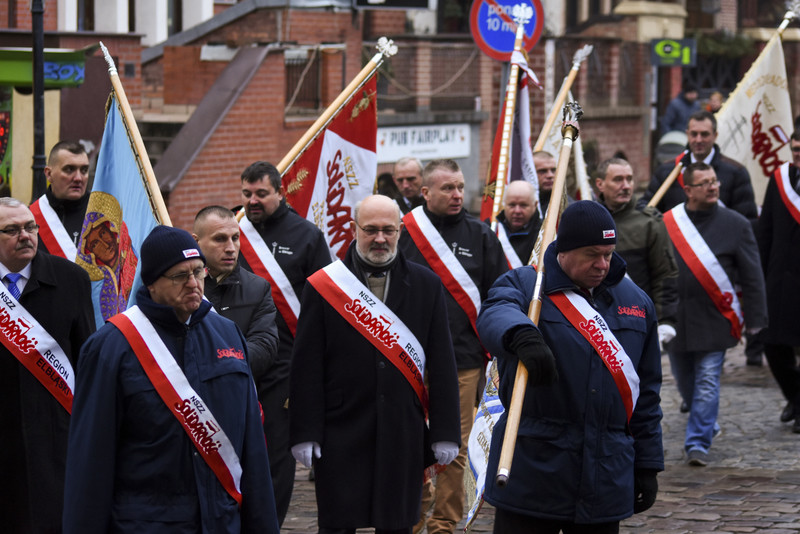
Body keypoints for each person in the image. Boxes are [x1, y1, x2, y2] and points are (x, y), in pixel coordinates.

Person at [63, 225, 279, 533]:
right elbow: (90, 461)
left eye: (198, 272)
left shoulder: (228, 335)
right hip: (146, 524)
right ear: (151, 283)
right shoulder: (110, 347)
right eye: (180, 276)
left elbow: (252, 449)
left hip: (221, 520)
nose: (193, 284)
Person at [476, 200, 664, 532]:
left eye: (608, 253)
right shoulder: (528, 285)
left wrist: (648, 464)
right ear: (564, 249)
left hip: (604, 474)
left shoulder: (636, 302)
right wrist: (520, 334)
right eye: (592, 254)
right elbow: (495, 312)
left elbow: (646, 394)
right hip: (533, 471)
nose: (602, 264)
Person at [289, 194, 462, 534]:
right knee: (338, 522)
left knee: (397, 523)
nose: (379, 238)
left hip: (402, 429)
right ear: (354, 230)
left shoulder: (426, 285)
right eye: (370, 230)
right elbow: (306, 364)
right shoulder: (324, 285)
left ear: (400, 231)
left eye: (388, 230)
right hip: (341, 427)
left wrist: (444, 431)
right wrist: (304, 430)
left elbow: (442, 363)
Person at [399, 158, 508, 533]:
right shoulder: (403, 234)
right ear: (425, 192)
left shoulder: (481, 236)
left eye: (461, 186)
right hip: (407, 359)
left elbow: (501, 294)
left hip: (462, 359)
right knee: (410, 442)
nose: (457, 194)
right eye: (448, 188)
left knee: (455, 445)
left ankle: (444, 523)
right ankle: (410, 518)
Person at [237, 160, 332, 522]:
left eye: (262, 193)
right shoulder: (235, 232)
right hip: (239, 355)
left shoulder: (308, 236)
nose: (253, 201)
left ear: (280, 191)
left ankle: (269, 523)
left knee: (276, 450)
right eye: (246, 194)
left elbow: (324, 300)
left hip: (286, 362)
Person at [663, 163, 767, 466]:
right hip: (676, 318)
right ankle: (706, 421)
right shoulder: (668, 223)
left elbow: (752, 275)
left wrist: (757, 318)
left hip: (716, 320)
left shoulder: (736, 224)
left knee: (708, 379)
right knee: (686, 383)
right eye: (705, 183)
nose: (713, 187)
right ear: (688, 190)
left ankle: (697, 443)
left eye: (715, 181)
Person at [0, 197, 94, 533]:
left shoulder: (71, 280)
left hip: (57, 438)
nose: (25, 236)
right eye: (11, 230)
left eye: (30, 227)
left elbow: (87, 363)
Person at [193, 206, 285, 488]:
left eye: (235, 238)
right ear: (196, 241)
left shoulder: (257, 288)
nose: (230, 247)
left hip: (238, 407)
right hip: (189, 406)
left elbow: (266, 347)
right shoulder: (181, 287)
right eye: (220, 239)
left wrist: (217, 363)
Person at [595, 157, 679, 346]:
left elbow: (665, 274)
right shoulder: (589, 220)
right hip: (597, 322)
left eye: (629, 179)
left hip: (637, 320)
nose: (625, 186)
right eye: (618, 179)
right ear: (600, 184)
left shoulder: (649, 223)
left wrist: (665, 320)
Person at [639, 110, 758, 221]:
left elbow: (746, 219)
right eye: (694, 134)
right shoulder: (667, 171)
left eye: (704, 134)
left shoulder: (736, 173)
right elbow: (646, 208)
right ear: (687, 134)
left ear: (715, 136)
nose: (698, 140)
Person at [758, 130, 800, 433]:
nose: (796, 152)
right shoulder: (780, 178)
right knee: (772, 345)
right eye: (795, 147)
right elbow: (766, 230)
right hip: (780, 280)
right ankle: (795, 396)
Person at [29, 140, 90, 259]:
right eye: (69, 169)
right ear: (49, 174)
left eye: (84, 170)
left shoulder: (100, 213)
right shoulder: (30, 218)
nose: (78, 178)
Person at [487, 180, 541, 268]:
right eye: (512, 205)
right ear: (504, 204)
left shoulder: (543, 234)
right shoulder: (490, 228)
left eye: (523, 205)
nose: (517, 211)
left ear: (535, 205)